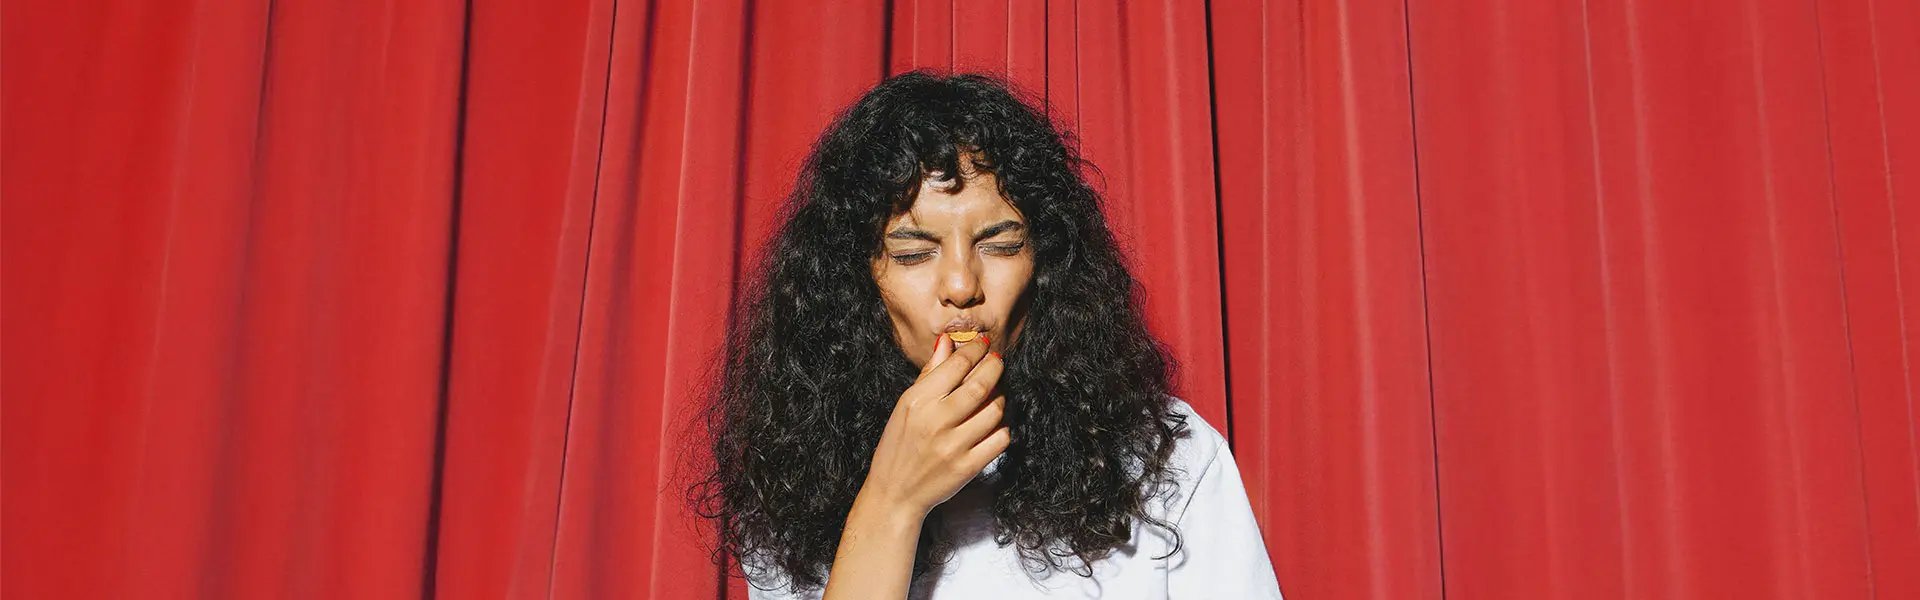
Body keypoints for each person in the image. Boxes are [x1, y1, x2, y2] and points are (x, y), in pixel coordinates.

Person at [690, 70, 1283, 599]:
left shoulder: (1169, 460)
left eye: (1000, 245)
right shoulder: (794, 474)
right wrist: (891, 503)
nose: (961, 285)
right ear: (855, 279)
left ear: (1047, 263)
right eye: (914, 253)